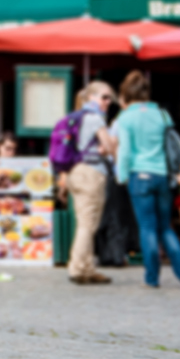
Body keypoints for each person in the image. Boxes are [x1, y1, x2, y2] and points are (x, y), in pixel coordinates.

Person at [114, 70, 180, 289]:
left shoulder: (126, 118)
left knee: (147, 228)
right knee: (165, 227)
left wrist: (122, 176)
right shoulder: (162, 114)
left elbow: (125, 152)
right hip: (162, 176)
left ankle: (152, 277)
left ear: (125, 95)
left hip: (140, 176)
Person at [63, 81, 117, 286]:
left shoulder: (74, 117)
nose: (108, 101)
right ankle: (77, 268)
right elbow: (109, 144)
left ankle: (87, 267)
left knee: (85, 222)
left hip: (75, 172)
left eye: (109, 97)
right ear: (91, 97)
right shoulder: (94, 118)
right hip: (91, 174)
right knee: (88, 224)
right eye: (104, 97)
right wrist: (112, 147)